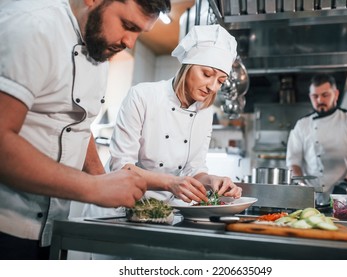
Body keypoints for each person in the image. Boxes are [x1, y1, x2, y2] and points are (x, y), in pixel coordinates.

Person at [0, 0, 171, 260]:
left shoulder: (97, 48)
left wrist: (103, 179)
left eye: (139, 32)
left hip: (51, 228)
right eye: (127, 25)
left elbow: (76, 126)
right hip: (6, 224)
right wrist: (93, 188)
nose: (130, 42)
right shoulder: (33, 25)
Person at [84, 24, 241, 220]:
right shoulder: (142, 96)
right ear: (188, 66)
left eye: (220, 81)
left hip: (162, 212)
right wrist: (171, 183)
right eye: (207, 74)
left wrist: (212, 180)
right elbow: (122, 167)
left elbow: (194, 168)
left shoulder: (204, 112)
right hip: (117, 207)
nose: (212, 87)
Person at [286, 74, 347, 206]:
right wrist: (301, 185)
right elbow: (293, 162)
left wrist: (345, 183)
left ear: (335, 94)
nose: (319, 100)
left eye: (325, 95)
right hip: (312, 200)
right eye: (315, 96)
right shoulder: (302, 125)